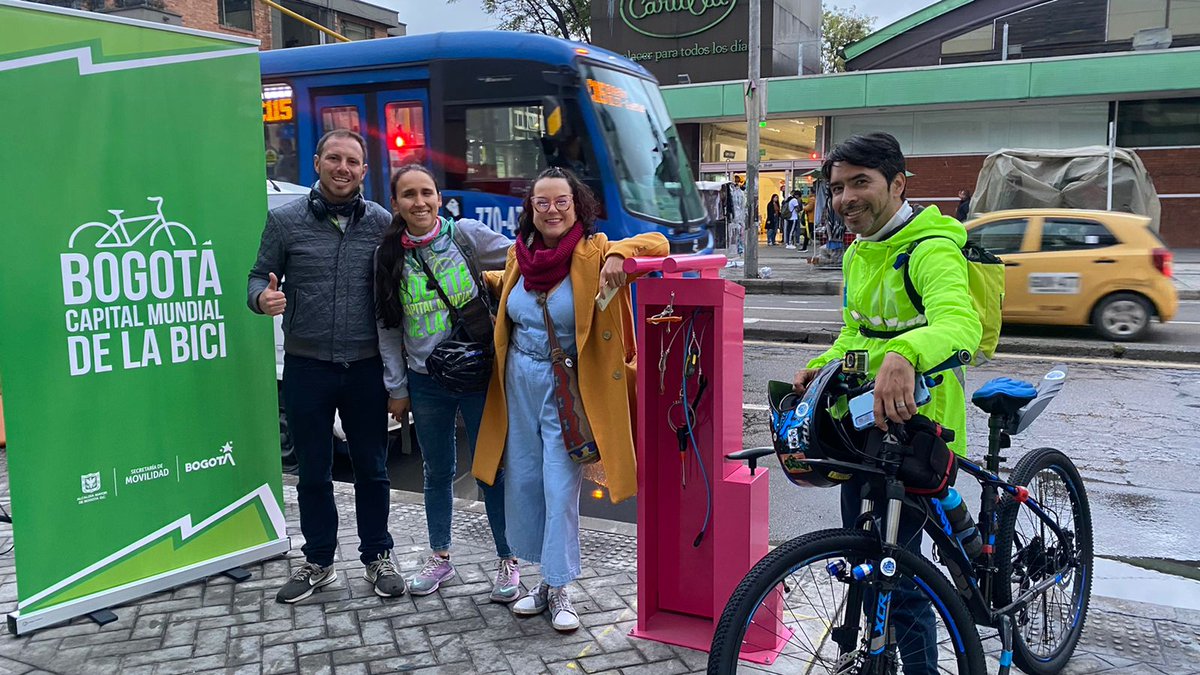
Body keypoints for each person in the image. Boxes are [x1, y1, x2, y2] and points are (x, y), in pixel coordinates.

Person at [792, 132, 982, 673]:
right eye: (836, 188)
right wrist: (825, 363)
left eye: (860, 183)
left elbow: (958, 324)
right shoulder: (857, 253)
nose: (846, 198)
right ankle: (882, 659)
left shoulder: (930, 248)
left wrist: (906, 352)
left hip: (921, 435)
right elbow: (858, 333)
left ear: (898, 184)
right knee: (865, 559)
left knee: (903, 579)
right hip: (864, 432)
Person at [472, 167, 667, 633]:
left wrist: (621, 253)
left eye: (562, 202)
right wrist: (488, 280)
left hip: (568, 389)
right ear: (531, 210)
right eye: (543, 203)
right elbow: (512, 297)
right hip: (518, 382)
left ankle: (560, 588)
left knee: (560, 487)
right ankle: (541, 581)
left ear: (577, 206)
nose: (553, 210)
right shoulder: (522, 257)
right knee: (524, 483)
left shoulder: (594, 252)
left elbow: (657, 243)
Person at [248, 129, 407, 604]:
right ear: (317, 163)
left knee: (373, 469)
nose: (343, 168)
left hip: (364, 367)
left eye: (353, 161)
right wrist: (261, 297)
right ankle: (318, 561)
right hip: (307, 366)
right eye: (334, 158)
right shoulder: (285, 221)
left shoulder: (382, 222)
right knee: (313, 472)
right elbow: (257, 273)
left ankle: (378, 555)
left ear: (363, 170)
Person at [373, 164, 520, 602]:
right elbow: (388, 327)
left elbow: (519, 260)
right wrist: (396, 387)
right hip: (426, 380)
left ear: (439, 197)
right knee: (436, 471)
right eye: (408, 195)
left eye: (427, 193)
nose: (419, 202)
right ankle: (440, 557)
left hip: (478, 374)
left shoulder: (466, 236)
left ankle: (508, 561)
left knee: (491, 469)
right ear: (395, 203)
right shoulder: (389, 256)